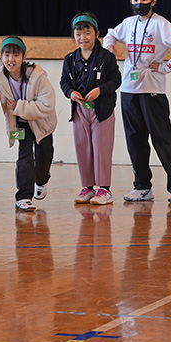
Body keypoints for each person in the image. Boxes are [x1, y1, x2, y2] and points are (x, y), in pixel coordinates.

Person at [103, 0, 171, 204]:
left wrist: (165, 67)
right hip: (128, 89)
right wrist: (109, 46)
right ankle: (142, 186)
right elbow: (110, 35)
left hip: (152, 89)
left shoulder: (161, 24)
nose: (139, 3)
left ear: (153, 2)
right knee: (135, 140)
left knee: (162, 139)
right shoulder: (128, 23)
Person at [0, 36, 57, 211]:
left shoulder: (37, 77)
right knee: (25, 156)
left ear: (23, 57)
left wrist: (18, 106)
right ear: (1, 57)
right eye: (6, 55)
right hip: (21, 124)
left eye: (15, 55)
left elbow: (47, 105)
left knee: (45, 156)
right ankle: (23, 197)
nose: (11, 59)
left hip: (41, 123)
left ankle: (41, 180)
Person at [60, 12, 122, 205]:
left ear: (96, 34)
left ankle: (104, 189)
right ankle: (87, 187)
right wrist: (71, 93)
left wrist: (100, 90)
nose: (83, 38)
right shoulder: (70, 59)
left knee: (101, 148)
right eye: (78, 34)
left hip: (101, 111)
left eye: (87, 33)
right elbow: (64, 82)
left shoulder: (106, 57)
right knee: (83, 148)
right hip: (80, 110)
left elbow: (116, 80)